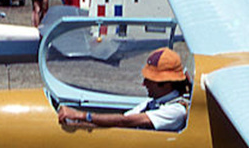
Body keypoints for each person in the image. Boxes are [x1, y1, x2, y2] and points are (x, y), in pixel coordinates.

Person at [57, 47, 191, 132]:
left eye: (150, 81)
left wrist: (81, 115)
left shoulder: (176, 111)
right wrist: (77, 123)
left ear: (166, 84)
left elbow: (125, 121)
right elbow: (119, 121)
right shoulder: (151, 104)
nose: (144, 84)